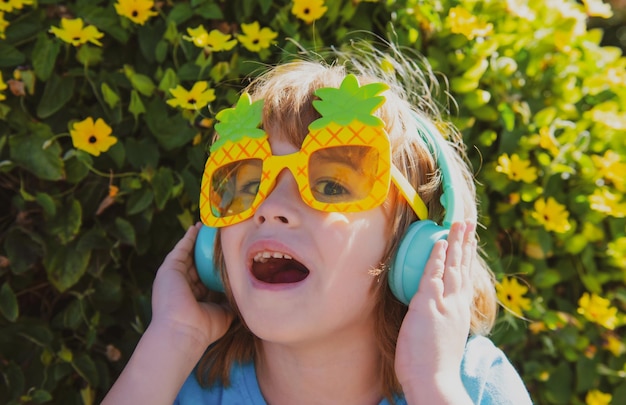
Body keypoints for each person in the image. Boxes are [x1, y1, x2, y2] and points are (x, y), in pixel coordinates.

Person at [102, 45, 533, 405]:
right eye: (248, 185)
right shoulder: (179, 379)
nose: (269, 208)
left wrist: (429, 384)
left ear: (414, 251)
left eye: (329, 184)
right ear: (215, 251)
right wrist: (174, 336)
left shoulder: (472, 385)